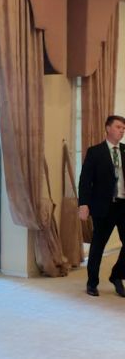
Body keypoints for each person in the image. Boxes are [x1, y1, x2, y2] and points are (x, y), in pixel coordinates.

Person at [79, 114, 125, 298]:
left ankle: (117, 275)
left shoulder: (124, 151)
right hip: (103, 206)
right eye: (118, 127)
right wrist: (83, 204)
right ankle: (92, 283)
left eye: (123, 128)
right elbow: (85, 180)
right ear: (107, 128)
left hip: (123, 205)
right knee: (98, 246)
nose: (122, 131)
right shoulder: (95, 152)